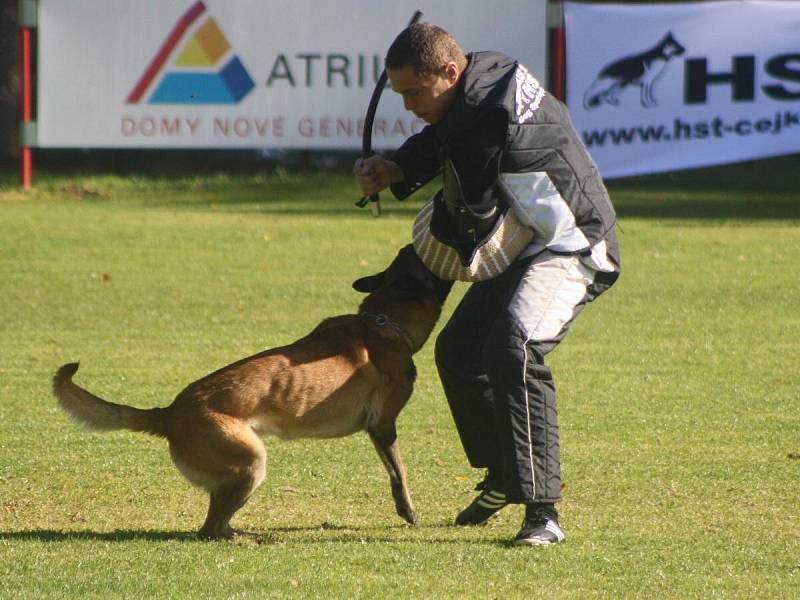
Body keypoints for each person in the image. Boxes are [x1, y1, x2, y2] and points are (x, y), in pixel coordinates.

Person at [353, 23, 620, 546]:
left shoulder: (485, 115)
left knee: (514, 349)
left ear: (449, 72)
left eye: (414, 91)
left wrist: (421, 236)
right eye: (400, 92)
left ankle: (543, 513)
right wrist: (396, 167)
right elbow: (443, 135)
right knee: (458, 350)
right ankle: (503, 474)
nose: (407, 104)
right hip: (531, 241)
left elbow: (469, 219)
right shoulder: (482, 76)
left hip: (575, 244)